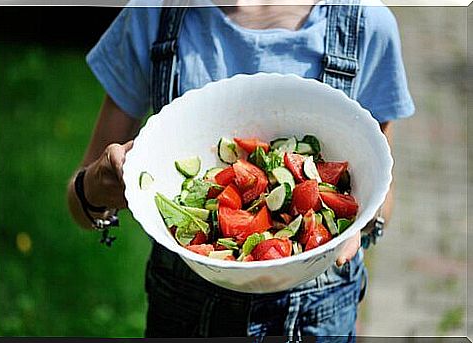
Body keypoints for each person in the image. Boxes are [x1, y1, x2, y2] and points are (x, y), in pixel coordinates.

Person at [67, 0, 414, 340]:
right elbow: (79, 205)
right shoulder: (154, 14)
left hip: (316, 319)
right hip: (185, 315)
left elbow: (380, 187)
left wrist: (363, 220)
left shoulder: (365, 23)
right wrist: (95, 186)